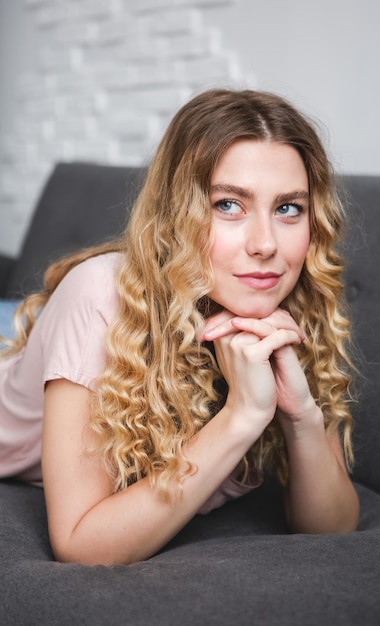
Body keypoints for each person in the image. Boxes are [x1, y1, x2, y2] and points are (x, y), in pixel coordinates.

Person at [0, 88, 360, 565]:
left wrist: (301, 416)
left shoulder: (293, 303)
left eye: (288, 208)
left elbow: (333, 528)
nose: (266, 244)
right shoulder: (99, 297)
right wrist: (242, 417)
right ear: (176, 215)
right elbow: (80, 544)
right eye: (229, 204)